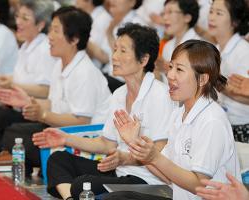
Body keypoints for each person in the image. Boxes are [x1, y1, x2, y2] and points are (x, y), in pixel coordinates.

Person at [32, 23, 174, 200]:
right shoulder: (119, 94)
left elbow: (159, 153)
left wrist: (125, 157)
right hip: (119, 171)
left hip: (147, 180)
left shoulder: (160, 95)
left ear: (144, 60)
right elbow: (107, 144)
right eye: (115, 49)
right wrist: (65, 138)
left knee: (82, 184)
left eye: (123, 51)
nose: (114, 56)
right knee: (58, 159)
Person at [103, 40, 241, 200]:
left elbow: (199, 185)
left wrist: (154, 156)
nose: (170, 75)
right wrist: (135, 143)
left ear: (202, 79)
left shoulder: (212, 120)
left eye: (179, 70)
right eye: (170, 67)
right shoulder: (179, 113)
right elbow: (167, 176)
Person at [0, 6, 111, 176]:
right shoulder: (60, 64)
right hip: (62, 130)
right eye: (50, 30)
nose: (49, 37)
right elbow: (53, 103)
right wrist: (26, 101)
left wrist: (42, 115)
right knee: (14, 131)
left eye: (56, 31)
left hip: (85, 140)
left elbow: (81, 121)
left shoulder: (85, 72)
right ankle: (39, 167)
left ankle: (44, 167)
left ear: (74, 39)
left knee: (20, 139)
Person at [0, 0, 56, 147]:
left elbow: (46, 90)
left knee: (3, 117)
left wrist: (12, 85)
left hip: (32, 111)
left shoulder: (45, 49)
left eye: (25, 18)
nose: (18, 22)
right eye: (17, 16)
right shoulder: (25, 45)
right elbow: (18, 77)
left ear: (40, 24)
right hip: (16, 107)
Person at [208, 0, 249, 143]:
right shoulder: (216, 49)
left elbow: (246, 96)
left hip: (241, 128)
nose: (211, 17)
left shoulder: (244, 51)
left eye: (219, 13)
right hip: (222, 122)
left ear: (235, 21)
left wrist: (214, 80)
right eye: (211, 11)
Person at [155, 0, 200, 82]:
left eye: (170, 12)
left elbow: (195, 81)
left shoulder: (198, 46)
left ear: (187, 17)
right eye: (163, 13)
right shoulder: (168, 45)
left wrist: (168, 68)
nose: (165, 17)